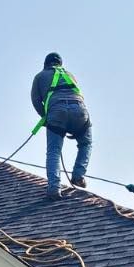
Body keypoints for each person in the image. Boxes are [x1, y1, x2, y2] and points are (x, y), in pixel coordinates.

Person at [30, 52, 92, 200]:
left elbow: (36, 100)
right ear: (60, 64)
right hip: (79, 111)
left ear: (45, 64)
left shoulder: (40, 76)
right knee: (86, 143)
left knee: (54, 151)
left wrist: (45, 118)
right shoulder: (70, 75)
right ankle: (78, 175)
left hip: (56, 112)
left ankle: (54, 188)